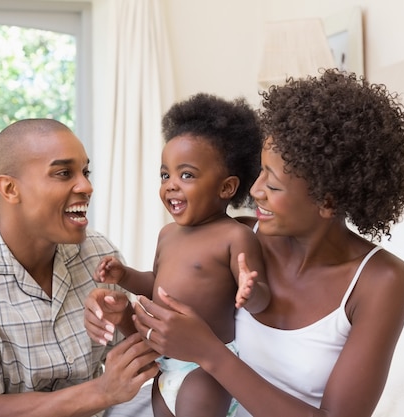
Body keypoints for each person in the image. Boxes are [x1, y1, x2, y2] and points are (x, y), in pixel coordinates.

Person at [87, 69, 404, 417]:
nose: (255, 190)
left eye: (273, 185)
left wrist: (210, 354)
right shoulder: (240, 239)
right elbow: (173, 339)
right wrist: (123, 313)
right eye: (260, 170)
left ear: (328, 201)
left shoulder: (381, 281)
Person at [0, 118, 159, 417]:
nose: (87, 186)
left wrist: (126, 317)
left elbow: (145, 363)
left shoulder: (98, 253)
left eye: (85, 172)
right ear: (10, 188)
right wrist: (101, 391)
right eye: (64, 173)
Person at [91, 93, 271, 417]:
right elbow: (156, 285)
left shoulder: (235, 236)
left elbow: (262, 303)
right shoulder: (167, 234)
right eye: (165, 175)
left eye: (186, 175)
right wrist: (125, 275)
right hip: (164, 364)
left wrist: (251, 290)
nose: (171, 185)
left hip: (206, 367)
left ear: (226, 188)